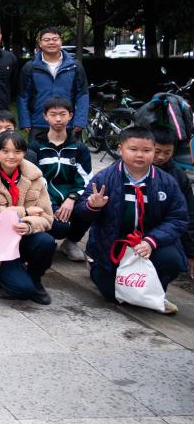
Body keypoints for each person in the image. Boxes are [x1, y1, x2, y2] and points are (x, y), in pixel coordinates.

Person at [74, 126, 189, 314]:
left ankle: (154, 293)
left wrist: (151, 241)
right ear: (120, 149)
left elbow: (178, 218)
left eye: (147, 150)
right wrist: (92, 206)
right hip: (113, 243)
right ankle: (97, 266)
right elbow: (81, 212)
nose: (140, 155)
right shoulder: (105, 177)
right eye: (133, 149)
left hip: (149, 242)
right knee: (113, 296)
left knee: (171, 260)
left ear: (153, 150)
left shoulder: (166, 181)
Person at [0, 130, 55, 304]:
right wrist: (24, 212)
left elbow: (47, 216)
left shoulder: (35, 177)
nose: (11, 156)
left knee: (46, 241)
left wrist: (29, 225)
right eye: (5, 151)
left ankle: (35, 278)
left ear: (24, 153)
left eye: (17, 151)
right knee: (22, 290)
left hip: (23, 237)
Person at [25, 97, 92, 262]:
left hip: (71, 197)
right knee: (59, 228)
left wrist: (72, 198)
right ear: (45, 116)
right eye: (53, 114)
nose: (58, 119)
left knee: (91, 208)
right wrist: (52, 205)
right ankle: (42, 242)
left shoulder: (79, 148)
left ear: (70, 116)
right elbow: (34, 180)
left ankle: (71, 242)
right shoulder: (35, 146)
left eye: (63, 114)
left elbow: (85, 179)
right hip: (44, 198)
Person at [18, 27, 89, 134]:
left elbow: (82, 94)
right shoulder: (30, 67)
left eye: (55, 39)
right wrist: (25, 121)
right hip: (38, 123)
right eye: (46, 40)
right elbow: (23, 96)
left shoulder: (74, 66)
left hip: (67, 124)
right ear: (40, 43)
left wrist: (80, 121)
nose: (51, 42)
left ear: (61, 42)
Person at [151, 128, 194, 279]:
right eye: (157, 151)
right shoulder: (123, 170)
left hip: (163, 233)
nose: (161, 157)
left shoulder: (178, 176)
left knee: (173, 262)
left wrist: (191, 253)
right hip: (129, 233)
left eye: (167, 152)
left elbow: (188, 214)